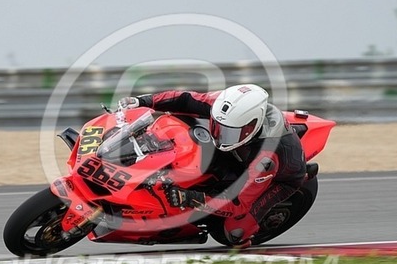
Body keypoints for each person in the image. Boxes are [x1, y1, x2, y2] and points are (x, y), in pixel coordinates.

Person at [119, 84, 306, 248]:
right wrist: (143, 101)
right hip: (239, 154)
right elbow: (185, 99)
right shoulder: (224, 108)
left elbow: (238, 204)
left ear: (252, 126)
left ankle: (246, 239)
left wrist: (191, 198)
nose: (221, 136)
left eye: (230, 132)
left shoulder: (266, 159)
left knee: (233, 233)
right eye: (218, 127)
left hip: (281, 180)